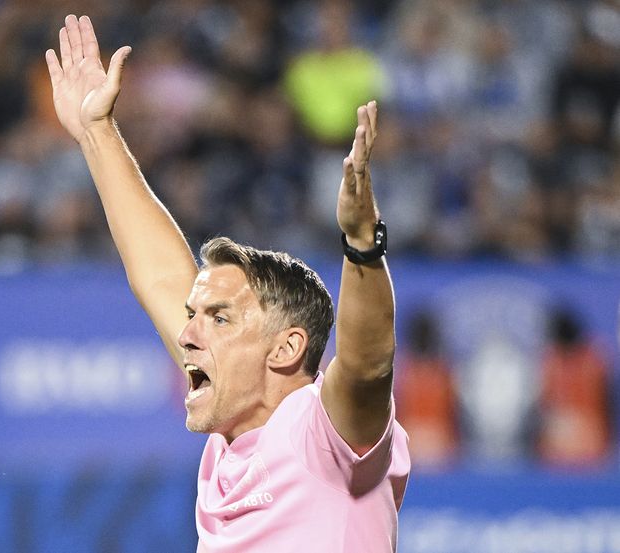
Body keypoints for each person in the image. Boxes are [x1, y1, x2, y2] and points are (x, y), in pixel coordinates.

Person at [45, 15, 409, 552]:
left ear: (286, 347)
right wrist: (96, 132)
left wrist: (360, 245)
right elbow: (162, 274)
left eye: (219, 318)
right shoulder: (226, 445)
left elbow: (367, 363)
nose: (188, 335)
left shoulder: (324, 434)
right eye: (195, 315)